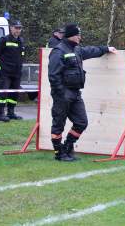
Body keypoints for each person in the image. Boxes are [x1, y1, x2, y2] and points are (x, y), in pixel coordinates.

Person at [48, 23, 117, 161]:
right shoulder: (58, 51)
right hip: (63, 94)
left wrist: (106, 49)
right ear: (71, 36)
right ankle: (59, 153)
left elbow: (91, 51)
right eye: (78, 35)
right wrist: (61, 93)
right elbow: (53, 76)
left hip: (75, 93)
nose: (80, 37)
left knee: (81, 122)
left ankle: (68, 147)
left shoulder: (77, 50)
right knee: (58, 124)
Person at [0, 19, 25, 122]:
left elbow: (21, 56)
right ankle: (1, 114)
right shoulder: (4, 39)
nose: (18, 30)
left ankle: (11, 113)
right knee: (3, 93)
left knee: (14, 93)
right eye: (16, 28)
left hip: (16, 72)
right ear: (11, 28)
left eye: (20, 28)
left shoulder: (21, 41)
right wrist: (4, 64)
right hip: (5, 72)